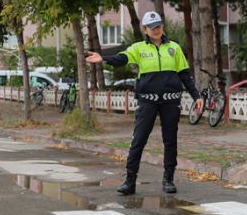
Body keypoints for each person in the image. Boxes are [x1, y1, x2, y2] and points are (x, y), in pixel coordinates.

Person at [85, 11, 202, 196]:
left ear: (162, 27)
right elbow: (122, 58)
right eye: (152, 27)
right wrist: (104, 58)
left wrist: (197, 96)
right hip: (147, 102)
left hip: (171, 102)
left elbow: (184, 75)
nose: (156, 30)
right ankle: (130, 181)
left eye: (159, 26)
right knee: (138, 140)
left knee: (170, 141)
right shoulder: (139, 48)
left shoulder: (174, 48)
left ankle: (168, 179)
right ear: (146, 29)